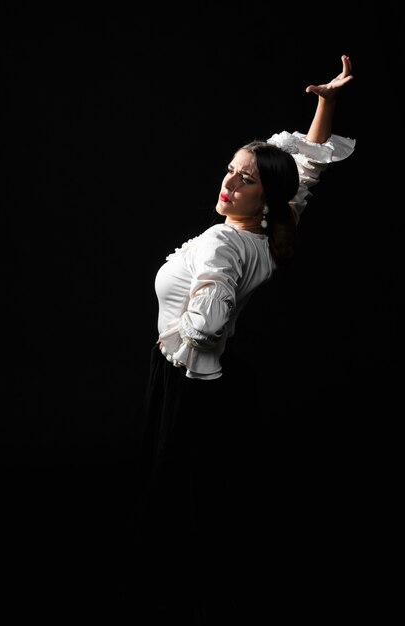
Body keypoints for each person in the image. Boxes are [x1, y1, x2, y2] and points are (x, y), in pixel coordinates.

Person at [124, 54, 356, 624]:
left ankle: (173, 597)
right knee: (204, 493)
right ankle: (209, 589)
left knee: (173, 493)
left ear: (263, 197)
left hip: (186, 382)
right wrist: (326, 101)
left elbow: (206, 322)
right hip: (213, 383)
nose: (229, 182)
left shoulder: (223, 246)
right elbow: (305, 171)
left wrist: (195, 321)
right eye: (231, 169)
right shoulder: (277, 228)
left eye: (245, 179)